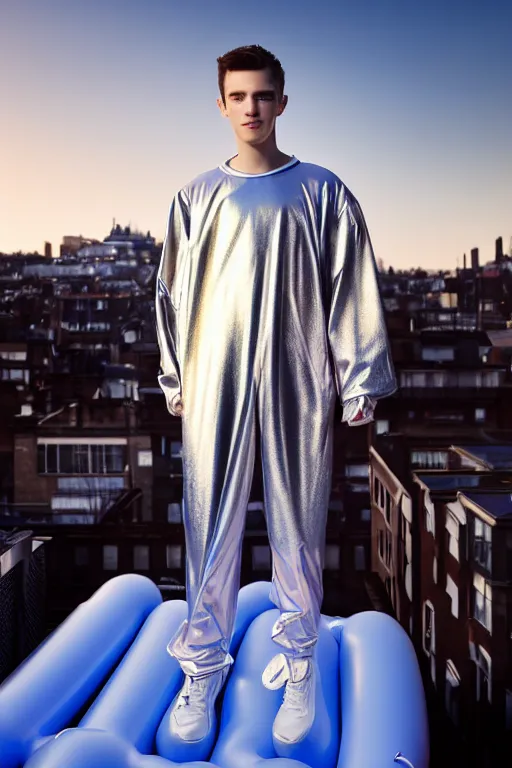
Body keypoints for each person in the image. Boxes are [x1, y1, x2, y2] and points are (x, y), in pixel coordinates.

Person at [155, 44, 397, 750]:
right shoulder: (195, 197)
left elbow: (353, 284)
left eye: (264, 96)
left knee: (297, 528)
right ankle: (201, 670)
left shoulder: (323, 191)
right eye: (240, 97)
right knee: (209, 527)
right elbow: (169, 294)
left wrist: (358, 378)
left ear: (282, 102)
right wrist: (177, 377)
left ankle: (300, 665)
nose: (252, 108)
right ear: (222, 105)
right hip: (216, 378)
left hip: (299, 375)